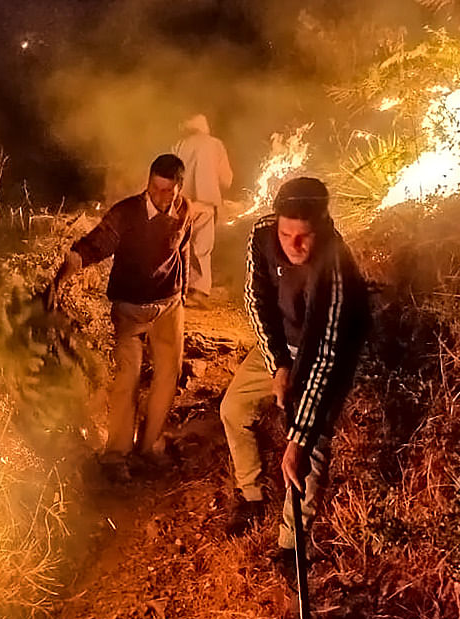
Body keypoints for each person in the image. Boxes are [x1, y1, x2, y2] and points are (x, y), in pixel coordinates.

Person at [218, 177, 370, 570]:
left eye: (304, 237)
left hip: (322, 349)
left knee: (310, 446)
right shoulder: (262, 233)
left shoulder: (335, 264)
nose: (293, 245)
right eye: (287, 234)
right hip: (281, 345)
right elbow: (257, 300)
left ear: (320, 228)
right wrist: (277, 365)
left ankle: (291, 545)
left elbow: (329, 354)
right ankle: (251, 495)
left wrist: (299, 436)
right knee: (233, 409)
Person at [51, 154, 192, 478]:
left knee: (168, 375)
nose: (158, 196)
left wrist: (181, 291)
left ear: (178, 189)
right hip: (129, 308)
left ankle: (148, 447)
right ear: (148, 182)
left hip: (169, 306)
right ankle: (116, 456)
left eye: (166, 191)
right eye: (154, 188)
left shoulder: (185, 210)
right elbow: (94, 245)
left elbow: (181, 248)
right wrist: (63, 274)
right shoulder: (127, 212)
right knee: (127, 379)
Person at [172, 113, 233, 308]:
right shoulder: (215, 144)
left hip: (182, 203)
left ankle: (182, 288)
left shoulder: (179, 145)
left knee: (182, 245)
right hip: (206, 204)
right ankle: (199, 291)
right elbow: (226, 179)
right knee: (202, 248)